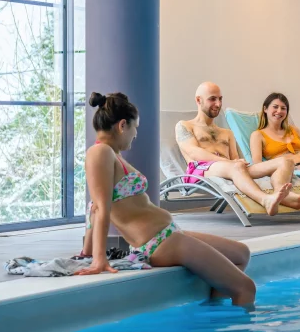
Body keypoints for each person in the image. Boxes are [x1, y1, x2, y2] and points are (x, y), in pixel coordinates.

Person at [78, 91, 256, 307]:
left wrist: (85, 253)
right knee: (246, 288)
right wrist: (98, 259)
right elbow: (100, 207)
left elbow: (94, 208)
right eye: (136, 128)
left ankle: (213, 316)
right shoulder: (100, 153)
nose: (135, 134)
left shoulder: (111, 154)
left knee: (241, 254)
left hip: (169, 234)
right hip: (159, 242)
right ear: (122, 125)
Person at [175, 82, 300, 215]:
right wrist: (231, 163)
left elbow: (234, 158)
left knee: (286, 161)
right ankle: (265, 200)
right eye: (212, 99)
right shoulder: (185, 126)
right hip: (201, 169)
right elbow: (194, 152)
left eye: (220, 99)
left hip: (232, 168)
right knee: (236, 167)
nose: (218, 104)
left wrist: (236, 162)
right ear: (199, 100)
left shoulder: (226, 133)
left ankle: (281, 193)